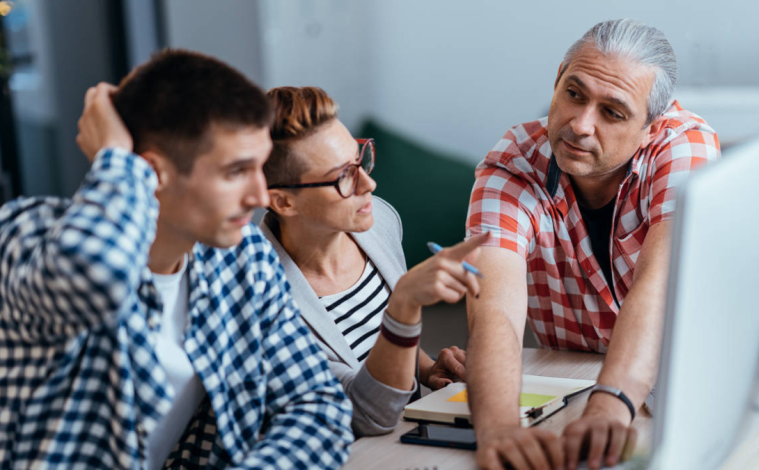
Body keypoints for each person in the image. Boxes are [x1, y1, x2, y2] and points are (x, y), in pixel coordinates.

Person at [0, 50, 353, 469]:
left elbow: (318, 408)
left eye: (260, 168)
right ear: (150, 172)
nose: (260, 196)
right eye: (236, 172)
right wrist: (115, 158)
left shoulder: (244, 259)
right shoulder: (27, 235)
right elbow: (97, 274)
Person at [464, 19, 720, 470]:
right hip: (571, 381)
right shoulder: (511, 166)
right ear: (558, 77)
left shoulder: (683, 145)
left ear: (650, 128)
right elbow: (495, 309)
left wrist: (608, 406)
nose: (580, 125)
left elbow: (659, 288)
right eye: (574, 94)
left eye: (613, 112)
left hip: (694, 385)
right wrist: (499, 428)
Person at [259, 86, 487, 437]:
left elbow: (375, 344)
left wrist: (425, 369)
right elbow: (367, 416)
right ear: (284, 203)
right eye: (343, 176)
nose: (369, 183)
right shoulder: (261, 297)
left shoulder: (378, 221)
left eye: (360, 158)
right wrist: (405, 303)